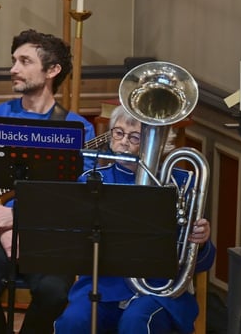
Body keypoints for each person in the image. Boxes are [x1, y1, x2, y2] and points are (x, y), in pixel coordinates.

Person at [0, 28, 96, 334]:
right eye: (13, 61)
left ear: (52, 70)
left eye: (24, 61)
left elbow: (77, 196)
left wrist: (19, 219)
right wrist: (4, 225)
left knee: (54, 292)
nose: (13, 69)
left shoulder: (77, 128)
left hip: (47, 233)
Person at [53, 105, 215, 334]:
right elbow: (74, 246)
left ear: (161, 142)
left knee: (136, 321)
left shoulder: (182, 182)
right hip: (104, 287)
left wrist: (201, 240)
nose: (123, 142)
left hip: (159, 292)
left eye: (134, 137)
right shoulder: (93, 180)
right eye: (118, 133)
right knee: (73, 321)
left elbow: (201, 263)